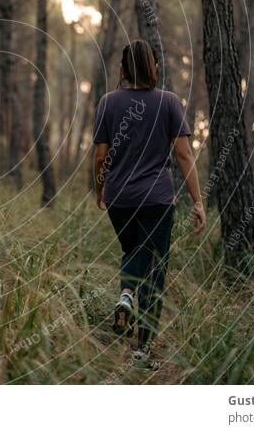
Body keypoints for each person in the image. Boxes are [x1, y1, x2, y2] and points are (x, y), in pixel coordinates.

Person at [93, 39, 205, 372]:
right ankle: (141, 353)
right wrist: (198, 201)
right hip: (157, 198)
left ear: (124, 70)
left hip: (119, 198)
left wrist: (101, 190)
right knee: (154, 273)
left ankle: (126, 291)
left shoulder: (108, 102)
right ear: (154, 67)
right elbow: (184, 155)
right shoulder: (168, 102)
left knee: (133, 252)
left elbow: (100, 156)